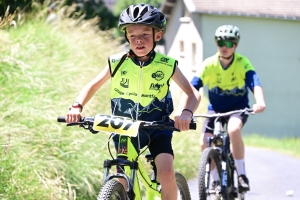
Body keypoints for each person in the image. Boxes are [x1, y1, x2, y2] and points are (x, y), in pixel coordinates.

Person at [66, 3, 200, 200]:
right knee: (120, 178)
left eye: (145, 34)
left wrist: (186, 113)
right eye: (132, 35)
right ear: (126, 37)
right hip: (124, 128)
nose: (138, 40)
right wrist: (76, 106)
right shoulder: (117, 62)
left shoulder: (167, 65)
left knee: (166, 174)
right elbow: (92, 86)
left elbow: (192, 93)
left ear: (158, 35)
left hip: (157, 128)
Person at [176, 25, 266, 191]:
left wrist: (259, 101)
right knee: (204, 141)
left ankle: (241, 175)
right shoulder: (209, 64)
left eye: (229, 43)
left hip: (238, 108)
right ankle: (216, 180)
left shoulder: (242, 63)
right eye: (220, 42)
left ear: (236, 45)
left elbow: (255, 83)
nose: (224, 46)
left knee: (233, 130)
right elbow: (192, 89)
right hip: (215, 109)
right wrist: (181, 111)